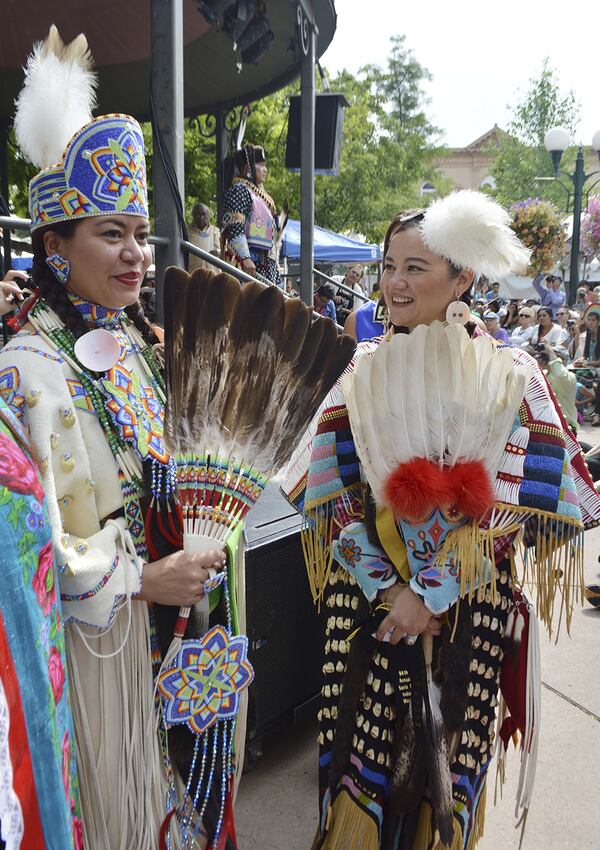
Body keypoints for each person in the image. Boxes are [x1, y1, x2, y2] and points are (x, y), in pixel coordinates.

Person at [282, 191, 600, 850]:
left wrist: (429, 594)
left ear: (464, 277)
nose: (395, 283)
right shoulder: (361, 372)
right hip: (367, 609)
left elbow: (527, 505)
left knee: (445, 775)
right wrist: (389, 590)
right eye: (389, 267)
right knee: (358, 771)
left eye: (415, 269)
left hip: (465, 614)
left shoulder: (517, 375)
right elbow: (331, 500)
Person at [3, 28, 227, 849]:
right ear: (55, 249)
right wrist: (140, 579)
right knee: (121, 818)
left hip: (180, 627)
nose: (136, 253)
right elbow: (36, 543)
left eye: (140, 231)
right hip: (104, 649)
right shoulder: (27, 367)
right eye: (109, 233)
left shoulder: (140, 342)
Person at [221, 144, 281, 286]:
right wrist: (245, 257)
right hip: (247, 262)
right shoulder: (240, 190)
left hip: (266, 263)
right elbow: (234, 226)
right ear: (248, 168)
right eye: (261, 165)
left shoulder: (262, 197)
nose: (265, 170)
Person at [535, 343, 578, 432]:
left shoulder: (569, 377)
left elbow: (559, 374)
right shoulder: (546, 376)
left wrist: (549, 350)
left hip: (566, 426)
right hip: (549, 426)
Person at [573, 306, 600, 426]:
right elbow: (585, 355)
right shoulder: (589, 333)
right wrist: (580, 361)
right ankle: (578, 407)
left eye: (593, 320)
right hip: (591, 366)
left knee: (581, 374)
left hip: (596, 367)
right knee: (572, 372)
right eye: (589, 319)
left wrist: (587, 363)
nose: (590, 322)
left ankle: (596, 413)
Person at [187, 201, 221, 273]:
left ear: (208, 216)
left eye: (204, 214)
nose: (201, 217)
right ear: (193, 216)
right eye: (198, 214)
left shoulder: (215, 231)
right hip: (193, 272)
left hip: (212, 273)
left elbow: (222, 250)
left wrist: (217, 252)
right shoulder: (186, 231)